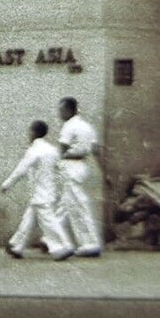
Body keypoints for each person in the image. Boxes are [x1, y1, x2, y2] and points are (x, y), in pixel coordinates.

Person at [2, 120, 72, 260]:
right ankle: (17, 245)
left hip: (40, 194)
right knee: (28, 220)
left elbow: (21, 169)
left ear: (33, 132)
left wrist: (7, 184)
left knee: (49, 221)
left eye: (30, 131)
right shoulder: (52, 150)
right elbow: (60, 170)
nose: (28, 134)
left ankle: (62, 247)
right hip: (48, 192)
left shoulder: (34, 150)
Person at [57, 97, 104, 257]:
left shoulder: (68, 127)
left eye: (62, 110)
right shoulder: (87, 127)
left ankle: (90, 244)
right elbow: (96, 151)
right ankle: (51, 237)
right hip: (82, 166)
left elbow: (62, 150)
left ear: (70, 110)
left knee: (78, 206)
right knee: (66, 204)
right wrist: (103, 170)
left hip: (71, 166)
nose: (60, 114)